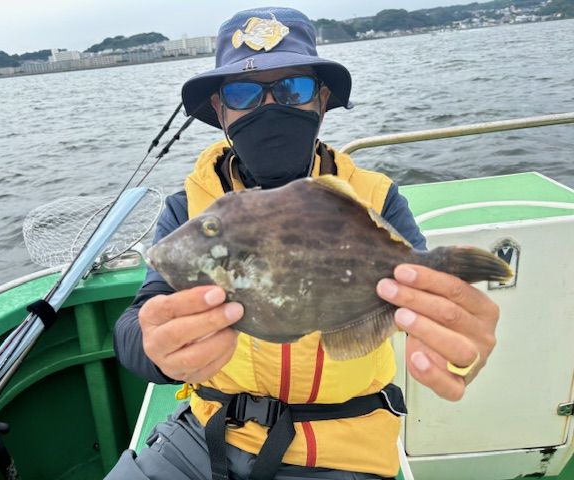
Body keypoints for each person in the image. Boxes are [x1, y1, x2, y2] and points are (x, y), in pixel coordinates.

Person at [107, 7, 500, 480]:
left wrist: (451, 338)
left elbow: (422, 295)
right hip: (202, 438)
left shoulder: (374, 199)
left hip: (343, 452)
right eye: (243, 93)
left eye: (293, 89)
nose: (269, 107)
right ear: (220, 109)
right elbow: (136, 321)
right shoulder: (189, 208)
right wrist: (157, 348)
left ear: (322, 99)